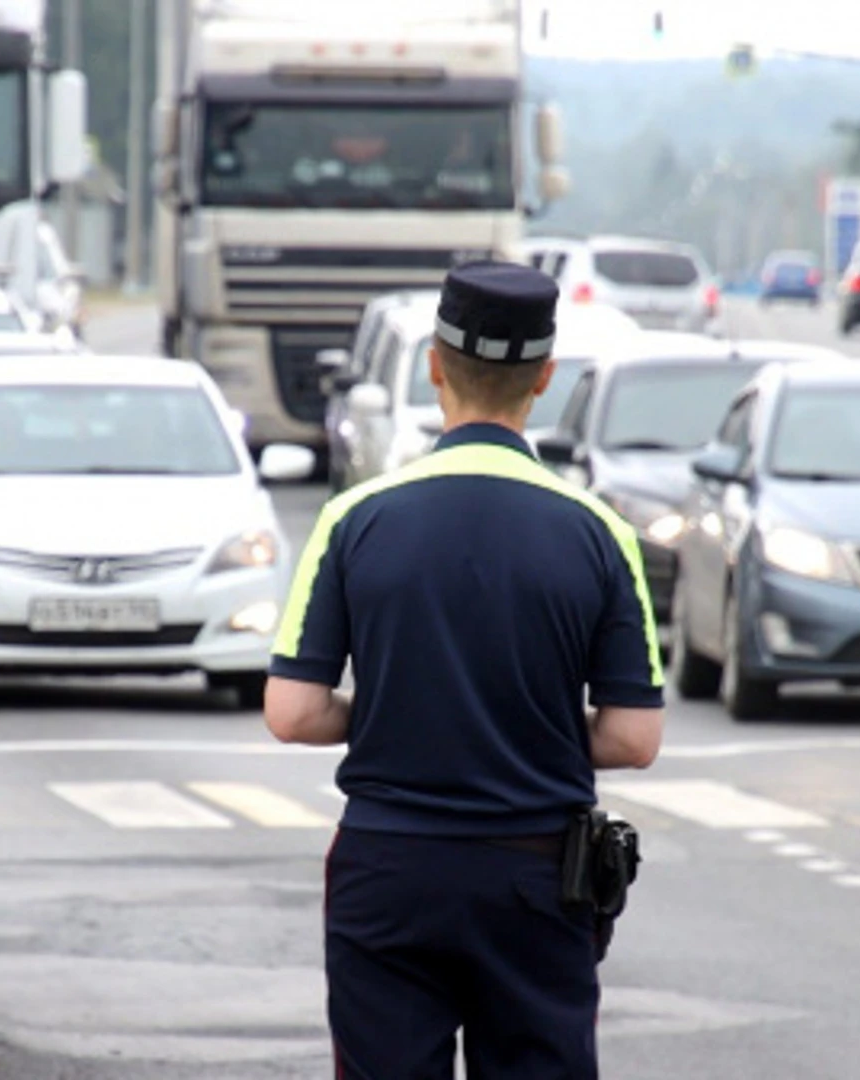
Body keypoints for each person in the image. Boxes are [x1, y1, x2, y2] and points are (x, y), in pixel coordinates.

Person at [264, 261, 666, 1079]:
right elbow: (633, 738)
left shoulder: (354, 520)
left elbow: (294, 713)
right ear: (545, 379)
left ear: (434, 366)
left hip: (389, 867)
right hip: (536, 873)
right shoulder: (599, 533)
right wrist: (523, 722)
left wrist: (398, 714)